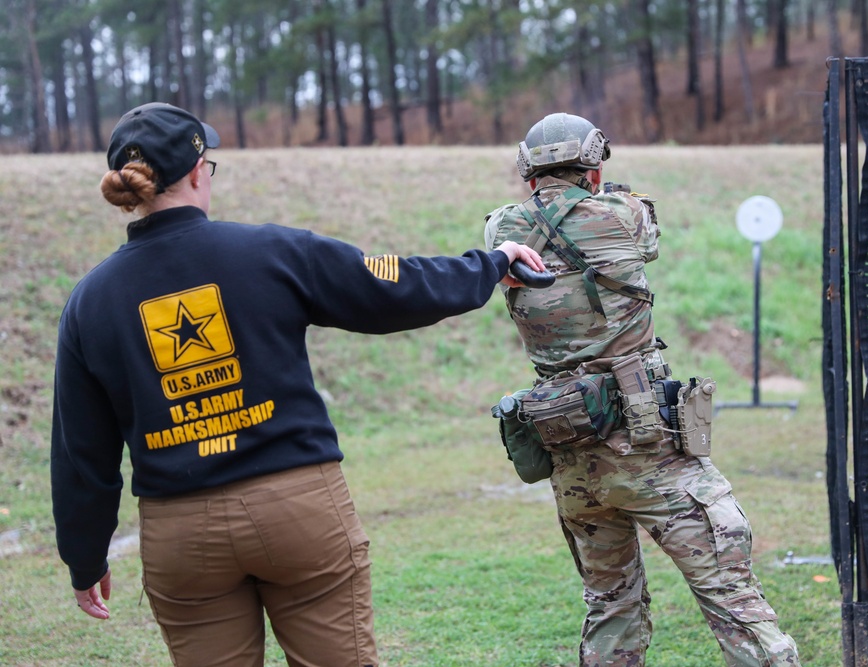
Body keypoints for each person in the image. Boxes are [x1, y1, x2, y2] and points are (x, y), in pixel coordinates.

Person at [50, 101, 545, 667]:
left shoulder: (89, 302)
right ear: (194, 172)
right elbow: (393, 286)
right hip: (299, 512)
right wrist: (489, 263)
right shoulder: (271, 251)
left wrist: (84, 557)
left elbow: (80, 452)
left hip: (181, 535)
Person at [484, 112, 800, 667]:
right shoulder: (624, 213)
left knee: (611, 607)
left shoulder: (500, 231)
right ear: (594, 170)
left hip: (572, 455)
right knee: (733, 598)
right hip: (648, 446)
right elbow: (645, 236)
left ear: (528, 174)